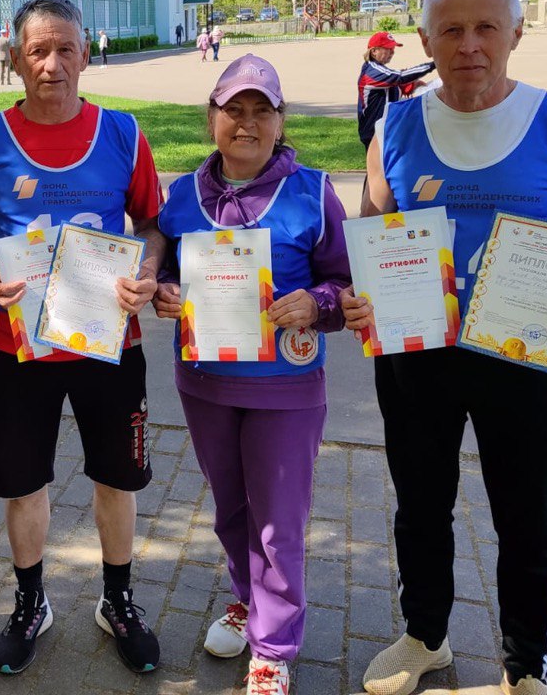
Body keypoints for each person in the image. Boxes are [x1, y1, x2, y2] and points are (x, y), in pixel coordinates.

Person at [342, 0, 547, 695]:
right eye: (452, 29)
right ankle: (425, 637)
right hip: (417, 355)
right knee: (421, 507)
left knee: (528, 523)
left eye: (487, 27)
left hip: (526, 356)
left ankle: (526, 665)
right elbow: (372, 231)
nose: (470, 44)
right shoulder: (396, 127)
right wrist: (359, 296)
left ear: (517, 34)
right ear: (426, 40)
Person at [0, 0, 166, 676]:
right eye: (37, 50)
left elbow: (153, 223)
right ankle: (30, 602)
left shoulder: (124, 133)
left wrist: (149, 270)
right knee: (24, 485)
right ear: (14, 58)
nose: (52, 64)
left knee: (116, 479)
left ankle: (118, 600)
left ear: (85, 54)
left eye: (64, 48)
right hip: (20, 346)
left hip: (109, 342)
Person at [153, 54, 350, 695]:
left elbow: (349, 283)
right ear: (212, 116)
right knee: (230, 511)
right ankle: (249, 599)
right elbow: (161, 268)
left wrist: (317, 303)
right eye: (233, 109)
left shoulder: (314, 191)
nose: (247, 122)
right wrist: (163, 292)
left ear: (280, 120)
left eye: (261, 110)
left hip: (284, 390)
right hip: (205, 382)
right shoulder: (182, 195)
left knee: (278, 520)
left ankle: (273, 646)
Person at [355, 31, 436, 150]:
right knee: (381, 168)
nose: (392, 52)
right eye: (388, 48)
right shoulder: (372, 71)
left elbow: (394, 84)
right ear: (374, 51)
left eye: (392, 48)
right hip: (374, 134)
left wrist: (410, 85)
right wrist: (434, 64)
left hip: (385, 131)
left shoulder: (378, 71)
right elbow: (400, 77)